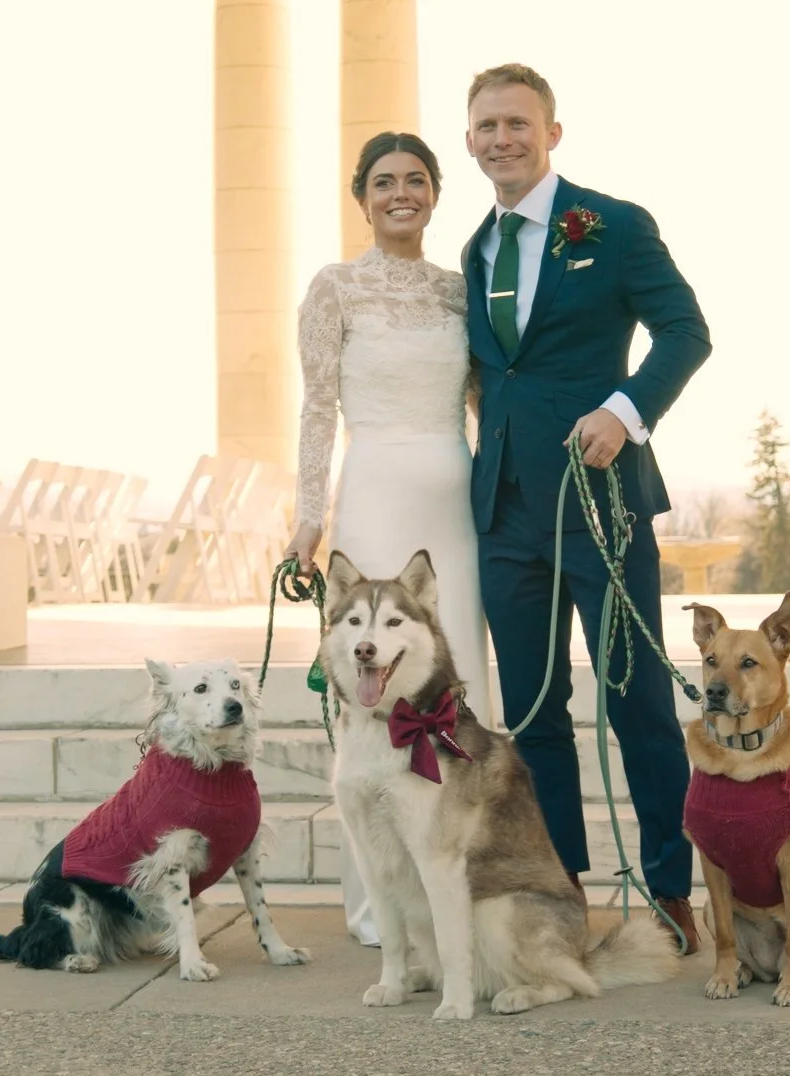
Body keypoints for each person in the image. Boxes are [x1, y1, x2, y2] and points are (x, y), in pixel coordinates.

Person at [460, 63, 711, 955]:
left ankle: (671, 887)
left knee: (636, 696)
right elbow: (499, 376)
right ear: (470, 141)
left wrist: (624, 411)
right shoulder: (476, 249)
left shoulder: (613, 225)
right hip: (504, 517)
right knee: (532, 713)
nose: (503, 139)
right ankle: (560, 890)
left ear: (552, 132)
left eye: (518, 124)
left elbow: (687, 330)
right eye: (486, 126)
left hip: (600, 504)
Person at [284, 132, 496, 947]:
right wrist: (309, 516)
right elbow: (316, 409)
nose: (399, 193)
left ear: (436, 193)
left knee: (459, 683)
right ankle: (381, 908)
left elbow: (487, 401)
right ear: (361, 196)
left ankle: (461, 886)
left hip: (454, 504)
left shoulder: (456, 292)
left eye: (415, 180)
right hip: (370, 494)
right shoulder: (334, 288)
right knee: (370, 687)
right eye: (383, 182)